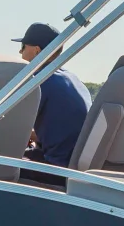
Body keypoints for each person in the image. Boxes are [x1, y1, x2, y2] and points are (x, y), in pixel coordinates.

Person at [16, 22, 92, 165]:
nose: (20, 52)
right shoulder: (72, 79)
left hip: (55, 167)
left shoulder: (38, 81)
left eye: (23, 46)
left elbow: (11, 127)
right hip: (72, 162)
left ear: (37, 51)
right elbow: (63, 131)